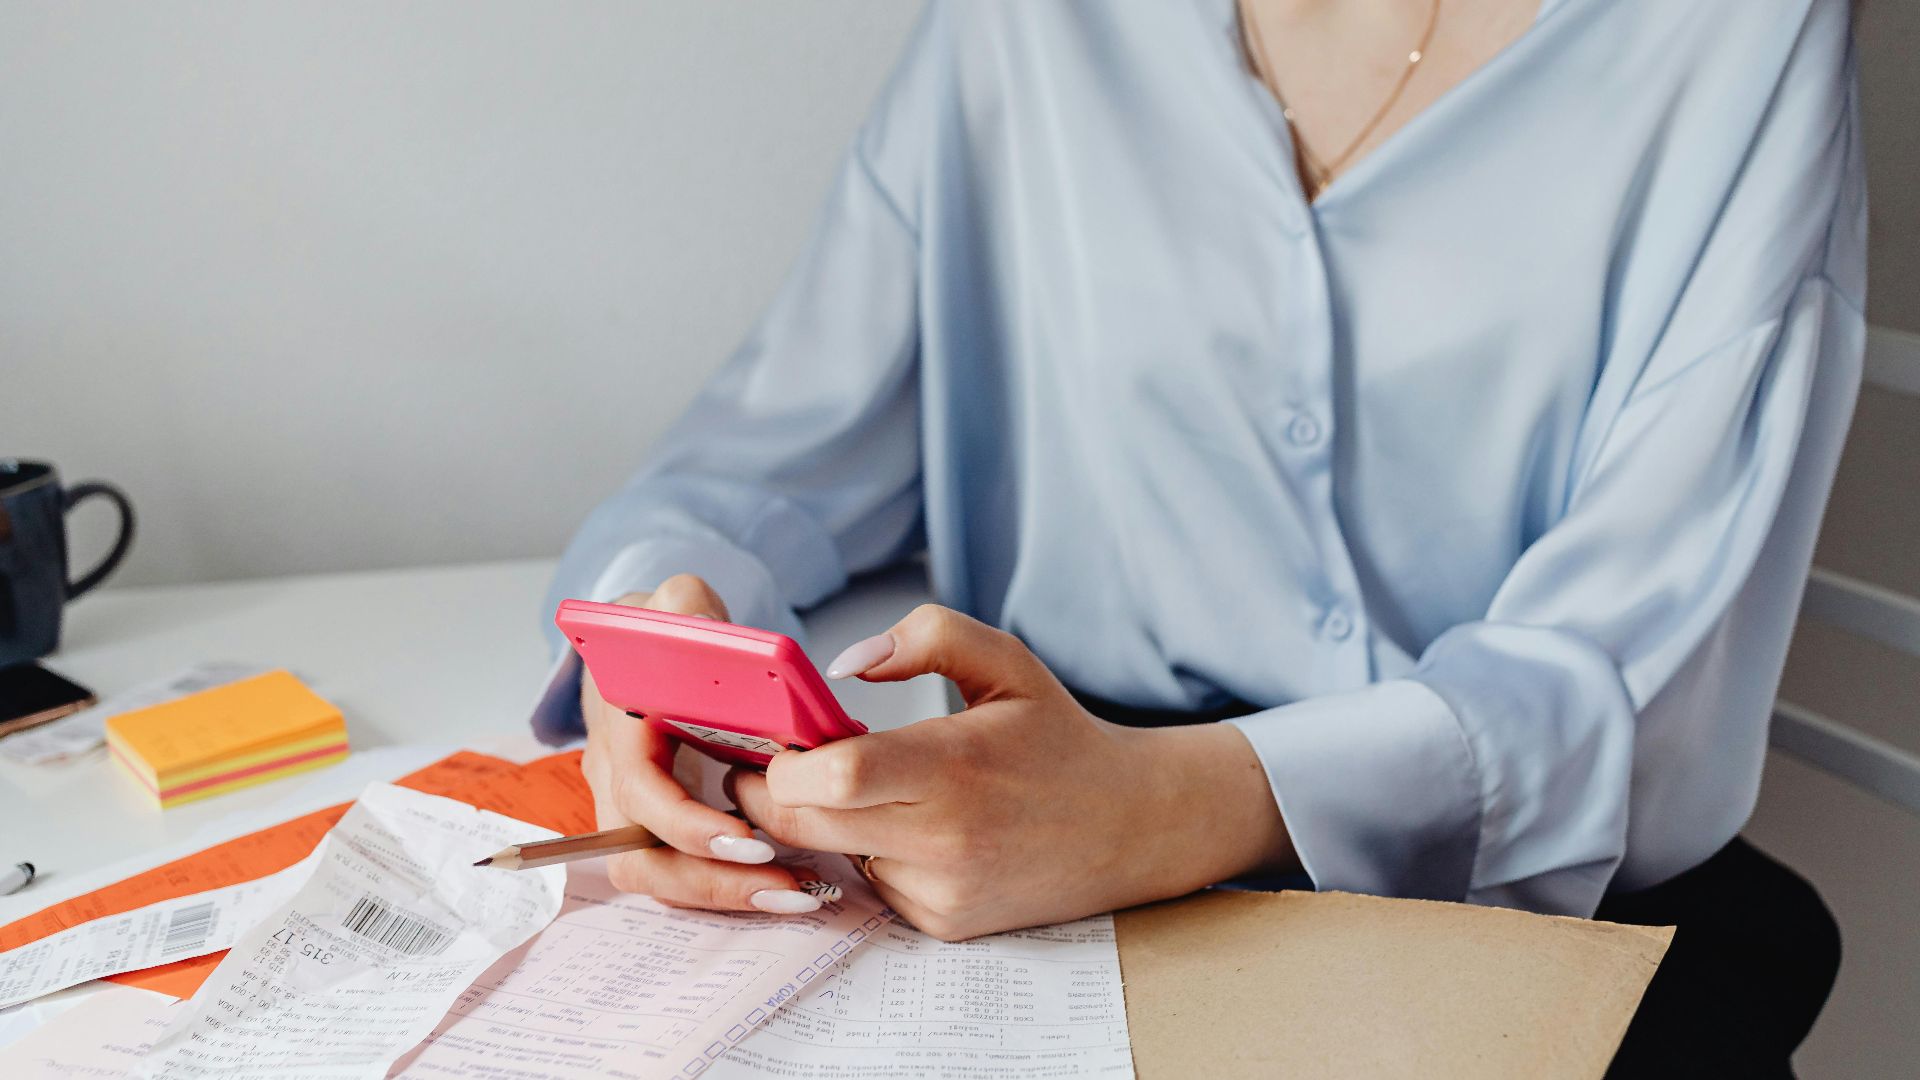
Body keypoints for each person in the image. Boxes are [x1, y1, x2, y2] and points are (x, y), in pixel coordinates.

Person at [534, 1, 1862, 1071]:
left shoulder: (1738, 34)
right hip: (1020, 875)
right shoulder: (1026, 28)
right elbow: (761, 459)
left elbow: (1641, 680)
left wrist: (1160, 809)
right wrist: (655, 647)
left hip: (1518, 901)